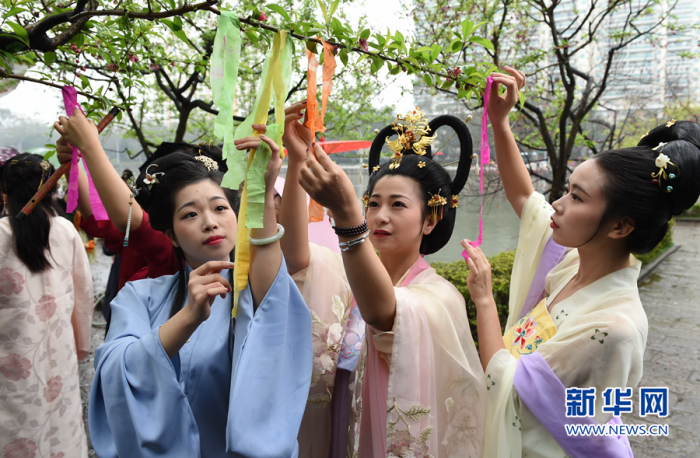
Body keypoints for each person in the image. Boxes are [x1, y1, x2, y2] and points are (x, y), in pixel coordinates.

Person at [465, 67, 700, 457]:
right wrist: (499, 121)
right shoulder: (572, 262)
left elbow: (507, 382)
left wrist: (485, 301)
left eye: (576, 197)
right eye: (567, 190)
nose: (557, 204)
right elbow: (526, 200)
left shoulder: (614, 327)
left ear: (621, 226)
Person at [54, 110, 313, 457]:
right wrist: (187, 317)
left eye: (221, 208)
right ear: (171, 237)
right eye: (190, 214)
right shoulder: (139, 296)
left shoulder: (254, 290)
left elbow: (271, 280)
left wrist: (266, 188)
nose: (210, 222)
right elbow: (116, 374)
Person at [268, 100, 486, 457]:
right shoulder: (347, 273)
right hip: (338, 434)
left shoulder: (438, 297)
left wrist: (347, 216)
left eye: (398, 205)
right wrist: (296, 160)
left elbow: (383, 311)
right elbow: (295, 254)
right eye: (373, 204)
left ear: (429, 220)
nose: (381, 216)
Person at [0, 153, 93, 458]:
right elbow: (82, 296)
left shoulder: (1, 234)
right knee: (60, 425)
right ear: (52, 190)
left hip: (11, 359)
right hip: (58, 350)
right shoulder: (66, 231)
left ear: (5, 191)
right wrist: (80, 345)